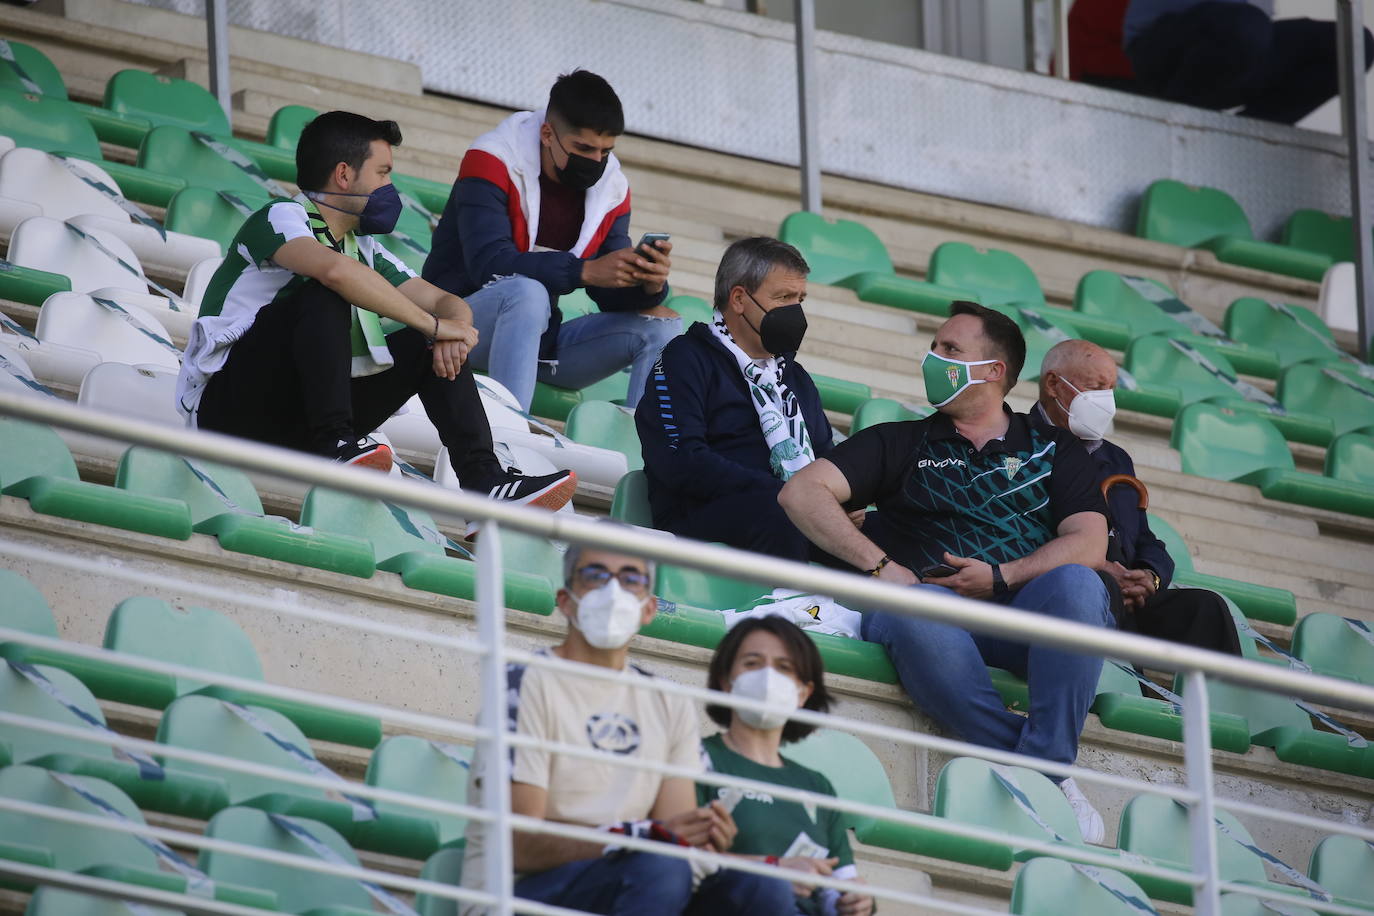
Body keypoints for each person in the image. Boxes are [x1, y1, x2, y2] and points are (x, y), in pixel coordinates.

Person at [778, 301, 1113, 843]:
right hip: (933, 610)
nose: (933, 358)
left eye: (950, 350)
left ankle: (1040, 768)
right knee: (911, 611)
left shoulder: (1055, 449)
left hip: (1023, 616)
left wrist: (1002, 575)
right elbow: (801, 492)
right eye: (934, 346)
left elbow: (1090, 541)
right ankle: (1046, 775)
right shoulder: (901, 441)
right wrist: (881, 565)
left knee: (1079, 582)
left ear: (995, 371)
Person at [176, 110, 576, 510]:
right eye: (383, 173)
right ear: (344, 175)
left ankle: (485, 482)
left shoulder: (364, 248)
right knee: (328, 291)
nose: (390, 186)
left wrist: (451, 330)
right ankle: (336, 444)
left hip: (297, 419)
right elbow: (334, 271)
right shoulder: (282, 216)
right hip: (228, 411)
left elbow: (442, 301)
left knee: (422, 343)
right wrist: (434, 326)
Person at [458, 537, 795, 915]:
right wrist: (641, 838)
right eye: (595, 575)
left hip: (639, 882)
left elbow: (673, 833)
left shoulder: (667, 700)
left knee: (763, 890)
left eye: (630, 579)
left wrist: (703, 835)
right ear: (565, 600)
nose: (613, 590)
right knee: (659, 865)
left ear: (649, 608)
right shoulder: (524, 682)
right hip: (519, 895)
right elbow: (520, 843)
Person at [423, 69, 679, 411]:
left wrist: (647, 283)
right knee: (527, 291)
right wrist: (584, 271)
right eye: (584, 148)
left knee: (662, 325)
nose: (596, 161)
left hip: (541, 339)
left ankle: (647, 457)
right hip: (454, 326)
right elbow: (488, 263)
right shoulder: (491, 160)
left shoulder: (612, 189)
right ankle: (506, 443)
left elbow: (607, 293)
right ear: (547, 134)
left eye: (605, 151)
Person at [636, 237, 845, 562]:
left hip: (787, 511)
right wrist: (787, 494)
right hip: (699, 517)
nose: (795, 311)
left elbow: (826, 459)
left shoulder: (796, 378)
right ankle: (796, 607)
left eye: (800, 299)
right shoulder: (685, 358)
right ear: (738, 299)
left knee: (878, 533)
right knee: (782, 510)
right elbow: (682, 461)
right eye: (784, 297)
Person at [1034, 339, 1241, 654]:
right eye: (1096, 388)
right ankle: (1134, 693)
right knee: (1101, 589)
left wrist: (1148, 576)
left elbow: (1144, 537)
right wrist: (1097, 566)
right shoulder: (1020, 446)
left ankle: (1220, 704)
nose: (1106, 400)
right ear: (1053, 384)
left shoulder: (1115, 459)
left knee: (1205, 607)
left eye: (1111, 390)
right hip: (1068, 586)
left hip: (1128, 597)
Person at [700, 616, 875, 916]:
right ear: (725, 682)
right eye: (753, 663)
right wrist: (775, 869)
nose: (768, 677)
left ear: (803, 694)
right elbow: (677, 861)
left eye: (784, 668)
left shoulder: (817, 786)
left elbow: (840, 884)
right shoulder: (695, 759)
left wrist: (856, 903)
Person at [1123, 0, 1373, 125]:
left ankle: (1254, 128)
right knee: (1246, 26)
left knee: (1354, 44)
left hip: (1243, 49)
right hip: (1163, 47)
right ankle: (1171, 114)